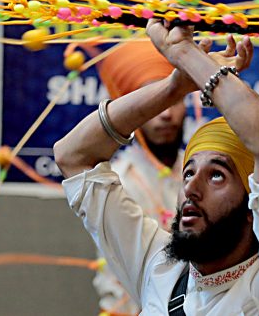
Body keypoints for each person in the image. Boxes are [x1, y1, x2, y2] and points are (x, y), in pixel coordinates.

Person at [54, 18, 259, 315]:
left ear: (256, 204)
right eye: (188, 172)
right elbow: (73, 156)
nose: (191, 187)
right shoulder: (159, 268)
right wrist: (174, 87)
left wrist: (185, 54)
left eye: (217, 175)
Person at [89, 39, 187, 315]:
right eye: (153, 103)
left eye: (174, 100)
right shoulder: (116, 180)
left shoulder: (202, 176)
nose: (165, 115)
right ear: (133, 112)